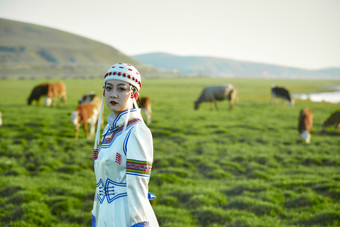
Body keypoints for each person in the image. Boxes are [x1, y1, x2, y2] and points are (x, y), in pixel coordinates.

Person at [91, 63, 159, 227]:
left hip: (126, 215)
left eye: (121, 89)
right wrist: (95, 212)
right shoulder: (109, 129)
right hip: (104, 213)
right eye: (109, 88)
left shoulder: (137, 131)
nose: (113, 94)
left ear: (134, 94)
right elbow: (101, 180)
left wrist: (138, 221)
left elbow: (138, 184)